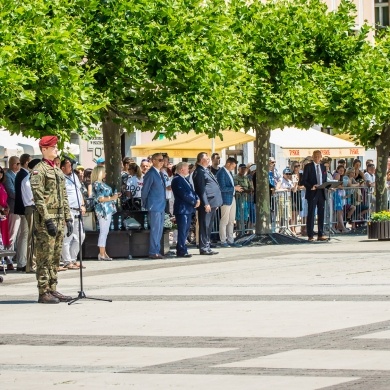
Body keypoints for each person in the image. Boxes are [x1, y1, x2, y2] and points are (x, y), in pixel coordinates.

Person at [30, 136, 73, 304]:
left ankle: (53, 288)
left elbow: (64, 195)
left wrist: (68, 217)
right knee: (44, 256)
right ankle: (43, 291)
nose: (56, 149)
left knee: (55, 257)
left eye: (56, 147)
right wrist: (47, 220)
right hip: (45, 218)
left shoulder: (56, 169)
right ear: (44, 149)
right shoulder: (38, 170)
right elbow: (38, 198)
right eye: (53, 147)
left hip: (59, 216)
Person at [192, 152, 223, 255]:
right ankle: (204, 247)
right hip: (207, 202)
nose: (209, 160)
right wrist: (206, 203)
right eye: (207, 158)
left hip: (212, 202)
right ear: (201, 160)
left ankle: (207, 245)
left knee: (209, 225)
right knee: (205, 225)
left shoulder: (205, 170)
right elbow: (201, 189)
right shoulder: (199, 171)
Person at [61, 158, 86, 269]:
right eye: (69, 165)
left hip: (77, 209)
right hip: (68, 210)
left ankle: (73, 258)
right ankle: (67, 261)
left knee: (81, 236)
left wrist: (82, 204)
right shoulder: (61, 178)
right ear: (62, 168)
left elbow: (78, 191)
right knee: (67, 236)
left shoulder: (74, 176)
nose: (71, 167)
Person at [171, 162, 200, 258]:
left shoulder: (185, 179)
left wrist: (197, 199)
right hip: (182, 209)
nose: (189, 170)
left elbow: (192, 191)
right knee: (182, 230)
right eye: (187, 168)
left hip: (187, 209)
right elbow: (183, 194)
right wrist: (193, 201)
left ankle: (183, 248)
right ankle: (181, 250)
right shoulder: (177, 180)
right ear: (181, 169)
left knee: (185, 230)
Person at [141, 153, 166, 259]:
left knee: (159, 230)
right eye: (160, 160)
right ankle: (153, 251)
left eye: (163, 160)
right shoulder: (151, 173)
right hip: (154, 205)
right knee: (155, 229)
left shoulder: (159, 173)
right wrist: (145, 204)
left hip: (160, 205)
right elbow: (145, 190)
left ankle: (157, 250)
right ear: (153, 161)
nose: (162, 162)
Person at [91, 166, 119, 261]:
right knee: (103, 231)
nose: (105, 173)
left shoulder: (100, 184)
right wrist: (112, 198)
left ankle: (103, 252)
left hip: (107, 209)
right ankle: (102, 253)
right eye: (104, 172)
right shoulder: (97, 184)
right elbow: (100, 199)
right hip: (103, 210)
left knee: (105, 231)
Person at [301, 150, 328, 242]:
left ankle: (320, 234)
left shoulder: (323, 167)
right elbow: (304, 180)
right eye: (315, 156)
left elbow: (324, 179)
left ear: (321, 157)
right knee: (311, 213)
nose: (317, 158)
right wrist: (311, 186)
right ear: (312, 157)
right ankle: (310, 235)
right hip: (312, 192)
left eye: (318, 156)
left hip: (321, 192)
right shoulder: (308, 167)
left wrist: (328, 186)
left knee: (321, 213)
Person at [216, 157, 243, 247]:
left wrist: (234, 187)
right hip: (225, 199)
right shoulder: (221, 173)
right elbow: (222, 188)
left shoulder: (229, 172)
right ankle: (223, 240)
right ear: (228, 164)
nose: (233, 168)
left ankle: (231, 240)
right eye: (233, 166)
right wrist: (234, 188)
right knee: (224, 220)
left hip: (232, 197)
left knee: (231, 220)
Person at [14, 153, 32, 272]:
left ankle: (22, 261)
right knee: (25, 235)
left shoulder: (22, 174)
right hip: (24, 208)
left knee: (23, 235)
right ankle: (22, 261)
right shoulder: (24, 175)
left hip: (22, 207)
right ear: (26, 162)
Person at [23, 158, 41, 273]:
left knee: (35, 238)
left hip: (34, 208)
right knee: (32, 238)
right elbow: (34, 198)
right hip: (32, 208)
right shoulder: (29, 180)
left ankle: (33, 264)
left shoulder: (32, 178)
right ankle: (31, 265)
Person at [4, 155, 21, 268]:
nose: (19, 165)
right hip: (13, 208)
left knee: (17, 235)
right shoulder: (8, 176)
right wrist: (23, 197)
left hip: (19, 208)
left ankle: (14, 258)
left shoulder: (16, 175)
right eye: (18, 163)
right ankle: (8, 260)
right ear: (13, 165)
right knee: (11, 234)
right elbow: (11, 192)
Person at [234, 164, 254, 234]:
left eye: (244, 169)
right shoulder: (235, 177)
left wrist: (249, 190)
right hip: (238, 199)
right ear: (238, 169)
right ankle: (239, 232)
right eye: (242, 168)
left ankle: (243, 231)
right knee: (239, 216)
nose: (243, 170)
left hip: (246, 199)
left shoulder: (246, 178)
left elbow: (251, 188)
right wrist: (246, 190)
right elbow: (238, 188)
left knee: (245, 216)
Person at [0, 166, 11, 266]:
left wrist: (7, 207)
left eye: (1, 172)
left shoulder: (2, 185)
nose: (0, 174)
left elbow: (5, 199)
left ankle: (6, 259)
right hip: (1, 213)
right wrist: (2, 209)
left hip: (4, 215)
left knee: (4, 237)